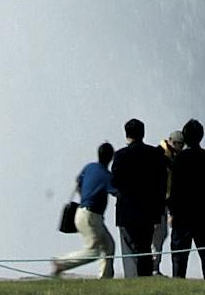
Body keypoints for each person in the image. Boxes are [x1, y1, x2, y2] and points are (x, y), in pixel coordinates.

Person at [109, 119, 171, 279]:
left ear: (126, 135)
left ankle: (132, 279)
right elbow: (162, 182)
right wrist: (160, 207)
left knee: (129, 249)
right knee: (145, 246)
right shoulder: (155, 154)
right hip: (148, 211)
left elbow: (114, 182)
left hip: (126, 211)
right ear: (143, 134)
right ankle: (145, 278)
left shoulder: (120, 155)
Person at [168, 120, 205, 279]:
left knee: (179, 255)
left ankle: (178, 285)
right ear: (201, 136)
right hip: (203, 210)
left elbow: (174, 190)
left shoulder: (179, 159)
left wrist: (171, 212)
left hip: (182, 213)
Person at [54, 140, 119, 276]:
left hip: (82, 213)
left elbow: (79, 182)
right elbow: (117, 193)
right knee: (93, 252)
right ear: (111, 158)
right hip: (91, 216)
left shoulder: (89, 167)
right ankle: (61, 262)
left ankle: (105, 277)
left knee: (108, 245)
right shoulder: (106, 176)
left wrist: (86, 195)